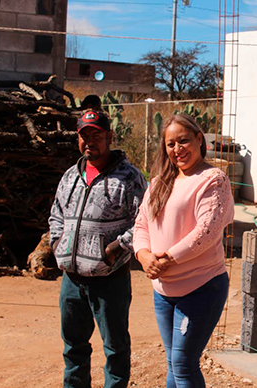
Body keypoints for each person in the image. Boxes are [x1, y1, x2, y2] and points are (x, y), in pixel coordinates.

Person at [133, 113, 234, 388]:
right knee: (173, 362)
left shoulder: (213, 179)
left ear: (199, 140)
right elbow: (141, 225)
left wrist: (166, 259)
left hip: (201, 286)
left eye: (184, 141)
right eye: (171, 144)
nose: (177, 149)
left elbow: (207, 231)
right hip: (163, 291)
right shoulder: (158, 183)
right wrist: (144, 256)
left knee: (183, 363)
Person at [49, 110, 147, 388]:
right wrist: (58, 244)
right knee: (73, 348)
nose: (89, 141)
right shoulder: (71, 175)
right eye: (84, 135)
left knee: (115, 349)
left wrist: (114, 250)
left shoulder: (130, 177)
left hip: (110, 281)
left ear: (109, 137)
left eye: (96, 135)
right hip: (71, 279)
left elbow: (144, 222)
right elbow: (56, 214)